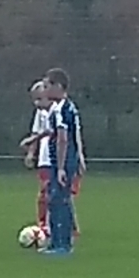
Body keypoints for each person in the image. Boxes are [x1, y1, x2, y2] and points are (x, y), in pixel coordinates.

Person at [43, 67, 84, 254]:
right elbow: (76, 133)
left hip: (62, 162)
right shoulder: (68, 107)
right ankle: (56, 242)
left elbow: (63, 138)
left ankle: (62, 244)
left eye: (48, 86)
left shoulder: (60, 109)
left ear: (58, 86)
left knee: (59, 200)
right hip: (68, 160)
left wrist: (60, 168)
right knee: (55, 199)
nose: (45, 90)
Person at [22, 80, 54, 235]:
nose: (36, 103)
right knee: (44, 192)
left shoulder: (57, 110)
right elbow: (36, 132)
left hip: (56, 158)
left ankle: (62, 224)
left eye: (39, 99)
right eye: (35, 99)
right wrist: (30, 153)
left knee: (55, 193)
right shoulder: (40, 113)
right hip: (44, 158)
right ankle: (43, 223)